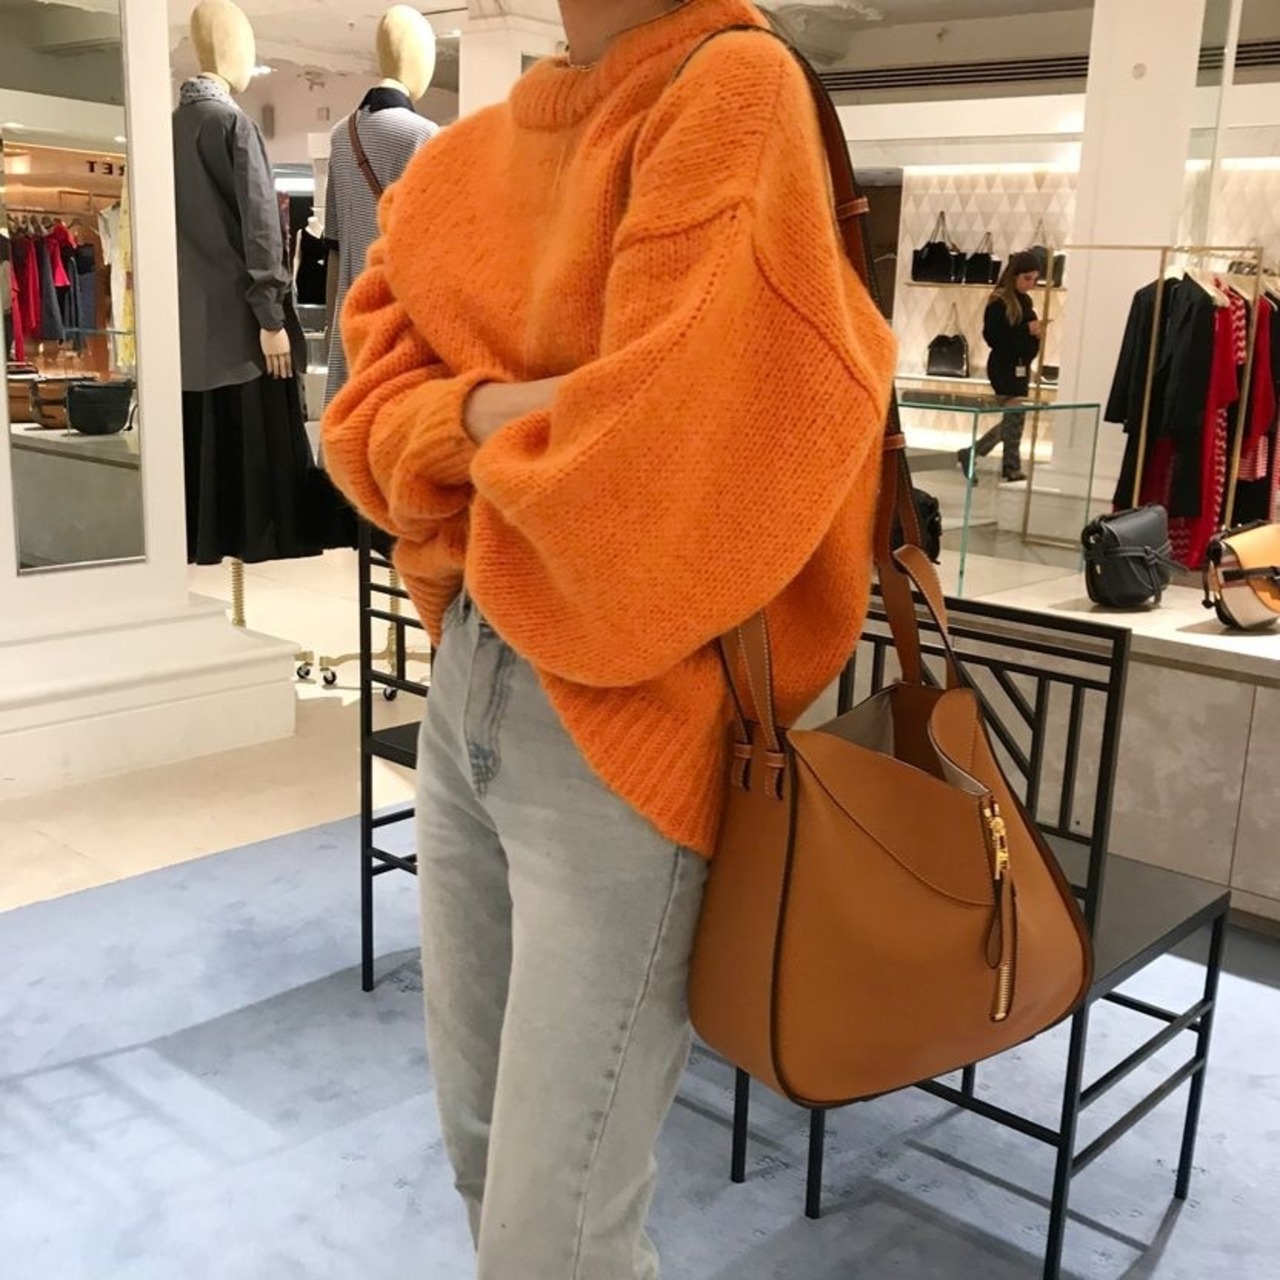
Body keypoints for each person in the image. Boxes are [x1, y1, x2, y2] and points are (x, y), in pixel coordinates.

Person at [321, 1, 896, 1276]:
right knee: (484, 1163)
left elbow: (642, 476)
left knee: (553, 1229)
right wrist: (501, 412)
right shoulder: (468, 157)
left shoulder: (728, 87)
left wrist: (454, 415)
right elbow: (355, 419)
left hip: (627, 708)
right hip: (471, 669)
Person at [959, 249, 1045, 483]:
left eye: (1034, 279)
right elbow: (995, 337)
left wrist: (1034, 335)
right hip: (1004, 367)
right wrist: (1026, 331)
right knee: (1015, 416)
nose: (1031, 284)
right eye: (1027, 278)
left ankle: (987, 457)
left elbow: (1026, 340)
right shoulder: (999, 301)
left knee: (1015, 417)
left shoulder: (1024, 302)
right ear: (1014, 275)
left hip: (1020, 367)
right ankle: (1007, 465)